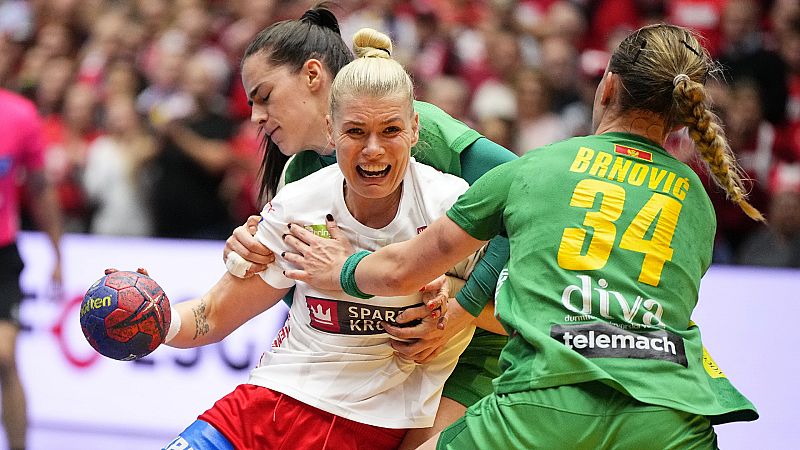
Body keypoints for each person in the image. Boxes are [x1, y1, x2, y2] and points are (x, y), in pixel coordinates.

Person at [282, 24, 761, 449]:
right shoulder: (698, 198)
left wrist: (340, 267)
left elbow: (403, 268)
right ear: (683, 113)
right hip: (671, 416)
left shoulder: (535, 167)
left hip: (543, 405)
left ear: (607, 86)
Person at [161, 28, 486, 450]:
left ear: (414, 130)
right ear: (331, 132)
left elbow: (523, 201)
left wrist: (459, 301)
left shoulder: (450, 204)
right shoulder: (298, 194)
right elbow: (216, 313)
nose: (373, 149)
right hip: (269, 400)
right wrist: (155, 320)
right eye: (355, 132)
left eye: (390, 131)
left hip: (367, 421)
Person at [0, 88, 63, 450]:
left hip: (3, 255)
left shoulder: (20, 115)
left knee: (5, 356)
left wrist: (58, 253)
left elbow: (40, 189)